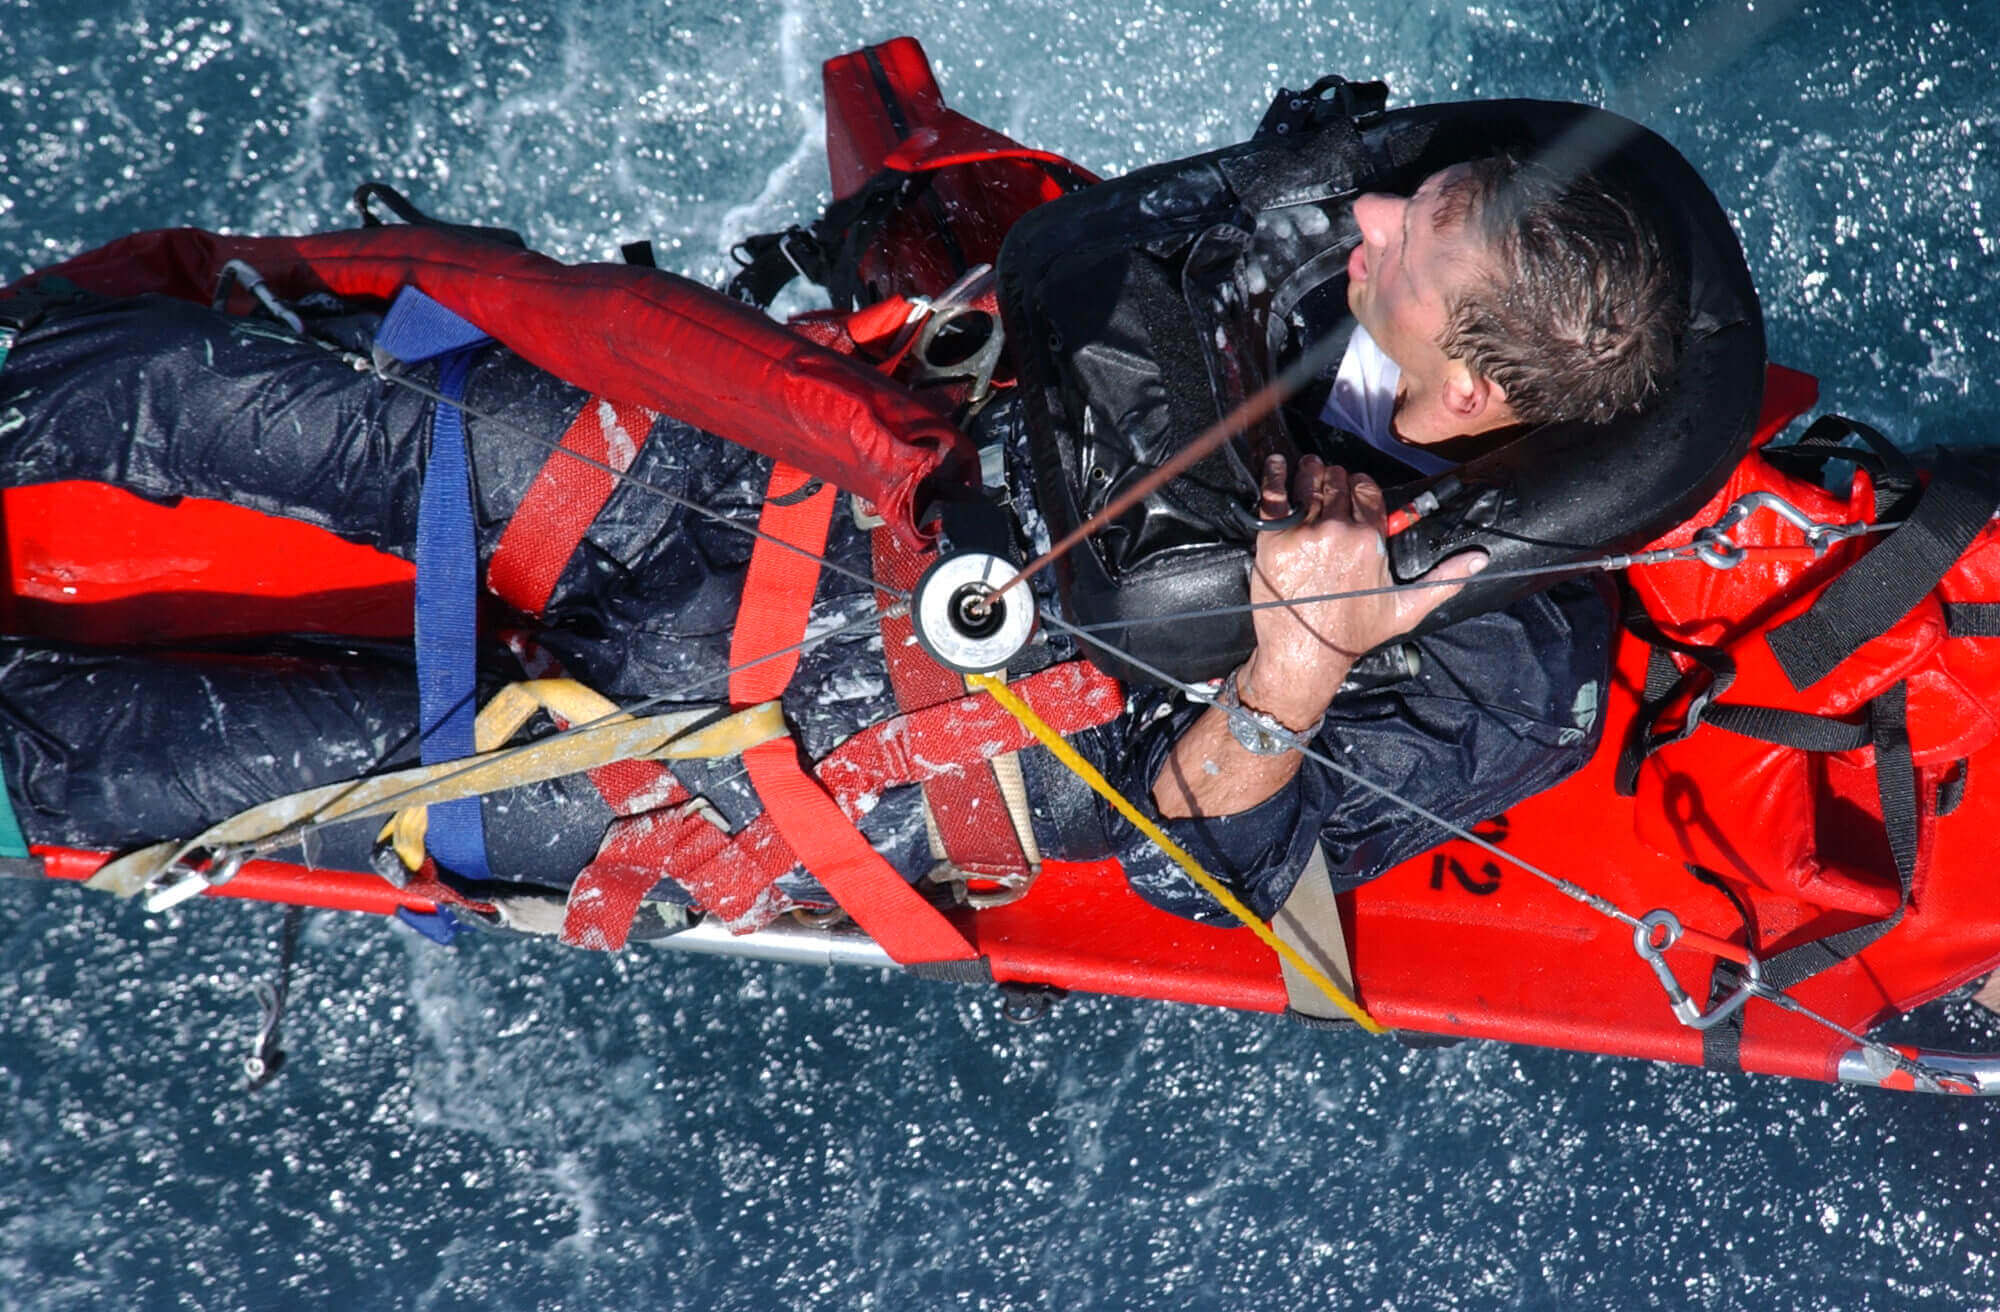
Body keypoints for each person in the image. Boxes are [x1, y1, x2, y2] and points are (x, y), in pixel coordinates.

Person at [0, 149, 1677, 939]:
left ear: (1468, 385)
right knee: (197, 386)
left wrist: (1297, 668)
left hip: (795, 762)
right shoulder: (1322, 260)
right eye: (1419, 192)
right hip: (737, 495)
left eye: (1414, 236)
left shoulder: (1505, 657)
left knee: (120, 764)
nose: (1372, 213)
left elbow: (1215, 877)